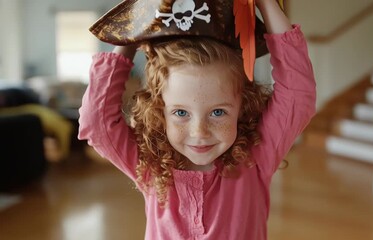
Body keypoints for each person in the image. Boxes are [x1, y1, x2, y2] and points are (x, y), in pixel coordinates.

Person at [78, 0, 316, 239]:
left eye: (218, 112)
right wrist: (132, 30)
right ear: (160, 110)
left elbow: (297, 95)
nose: (199, 132)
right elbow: (97, 121)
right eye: (181, 113)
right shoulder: (150, 164)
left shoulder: (255, 157)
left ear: (242, 106)